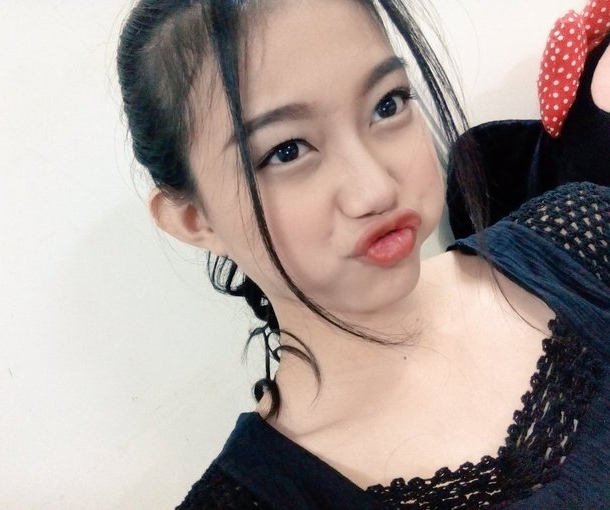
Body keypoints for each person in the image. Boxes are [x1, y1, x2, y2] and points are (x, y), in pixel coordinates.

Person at [116, 0, 610, 508]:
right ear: (193, 219)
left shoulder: (585, 234)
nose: (375, 190)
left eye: (387, 105)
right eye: (286, 151)